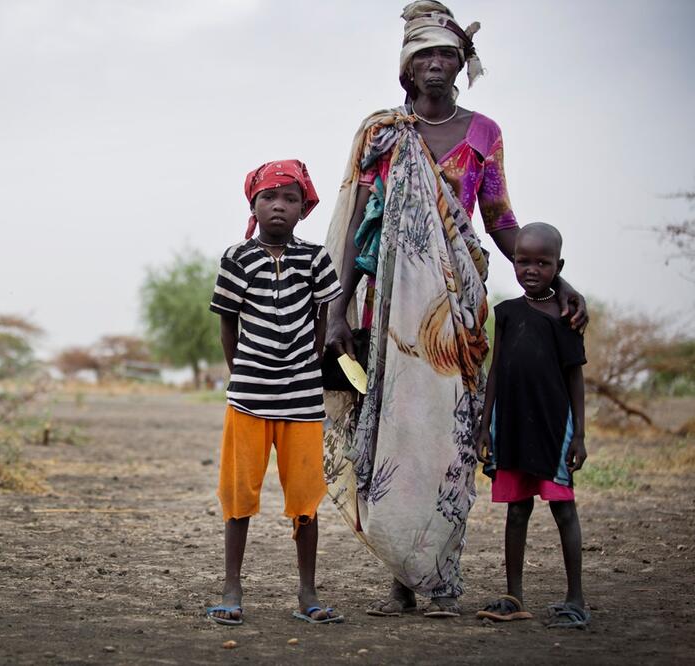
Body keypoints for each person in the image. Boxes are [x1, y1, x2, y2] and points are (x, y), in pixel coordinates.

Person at [322, 1, 589, 618]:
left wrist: (557, 282)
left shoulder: (484, 133)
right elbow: (354, 229)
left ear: (461, 62)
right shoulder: (381, 133)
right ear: (407, 68)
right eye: (425, 56)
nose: (437, 66)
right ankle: (402, 580)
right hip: (386, 308)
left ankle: (442, 579)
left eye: (448, 55)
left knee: (449, 439)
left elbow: (498, 220)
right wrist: (337, 309)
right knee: (392, 434)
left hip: (455, 310)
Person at [206, 160, 345, 626]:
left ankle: (307, 593)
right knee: (238, 495)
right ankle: (232, 588)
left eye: (290, 198)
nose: (279, 206)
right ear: (254, 205)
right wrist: (241, 371)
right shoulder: (236, 258)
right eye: (269, 197)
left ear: (304, 209)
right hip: (248, 397)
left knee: (305, 500)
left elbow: (323, 315)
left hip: (303, 400)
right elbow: (229, 320)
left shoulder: (315, 259)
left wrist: (309, 359)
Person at [475, 223, 590, 629]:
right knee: (517, 511)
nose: (531, 270)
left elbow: (575, 377)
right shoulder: (506, 314)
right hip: (511, 428)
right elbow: (494, 374)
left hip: (552, 427)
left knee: (563, 510)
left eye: (542, 263)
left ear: (558, 266)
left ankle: (575, 598)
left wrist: (578, 434)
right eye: (523, 261)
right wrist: (484, 424)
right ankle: (513, 596)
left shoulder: (566, 317)